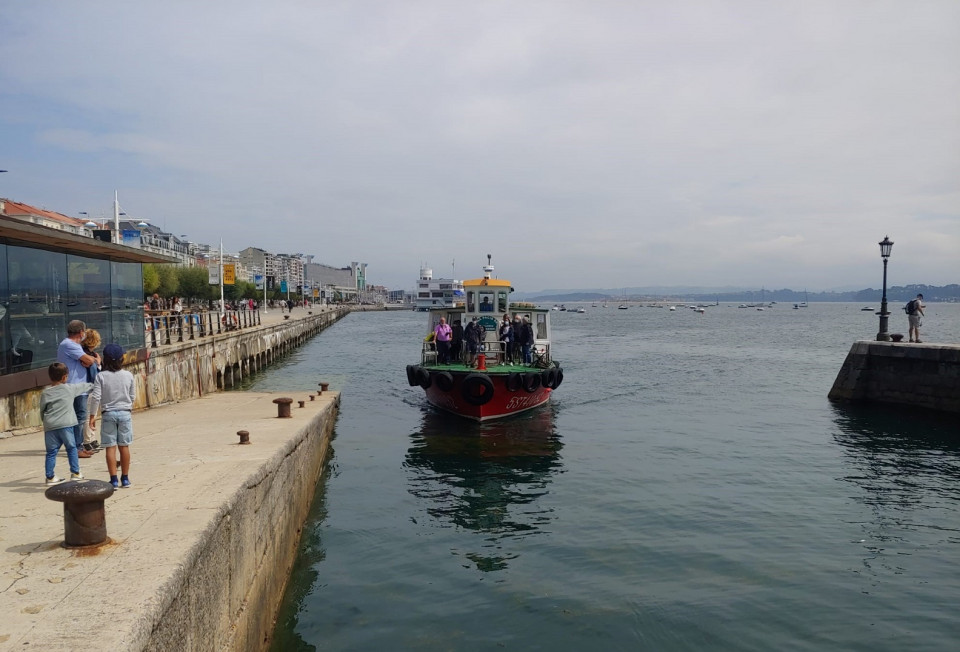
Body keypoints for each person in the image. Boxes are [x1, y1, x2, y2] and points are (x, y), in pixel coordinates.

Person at [88, 344, 136, 489]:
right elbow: (132, 396)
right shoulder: (128, 375)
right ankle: (125, 479)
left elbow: (96, 397)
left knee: (110, 447)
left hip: (108, 413)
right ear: (122, 359)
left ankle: (114, 480)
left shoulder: (101, 376)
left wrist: (92, 415)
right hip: (124, 412)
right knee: (124, 446)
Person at [40, 363, 92, 485]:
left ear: (50, 377)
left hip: (50, 426)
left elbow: (42, 410)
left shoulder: (45, 393)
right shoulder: (69, 388)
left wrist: (46, 422)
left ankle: (50, 477)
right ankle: (75, 473)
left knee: (51, 452)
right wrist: (96, 383)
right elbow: (85, 387)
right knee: (71, 448)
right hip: (66, 425)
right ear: (64, 377)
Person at [57, 320, 97, 456]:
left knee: (78, 417)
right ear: (81, 332)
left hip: (78, 386)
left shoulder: (73, 345)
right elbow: (89, 360)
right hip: (75, 387)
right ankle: (76, 448)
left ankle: (77, 446)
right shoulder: (69, 345)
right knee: (79, 418)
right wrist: (92, 360)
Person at [80, 328, 103, 455]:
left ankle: (91, 438)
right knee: (89, 415)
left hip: (88, 387)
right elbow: (95, 375)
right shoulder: (90, 357)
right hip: (89, 387)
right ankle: (88, 440)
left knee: (91, 414)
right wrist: (98, 364)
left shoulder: (86, 354)